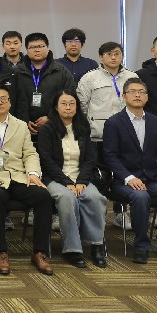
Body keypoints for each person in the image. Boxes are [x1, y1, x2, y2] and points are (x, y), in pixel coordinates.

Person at [0, 83, 54, 276]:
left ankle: (39, 252)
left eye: (3, 99)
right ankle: (1, 252)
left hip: (18, 177)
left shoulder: (20, 125)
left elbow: (30, 153)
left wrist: (33, 173)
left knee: (43, 197)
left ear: (10, 102)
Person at [102, 77, 157, 265]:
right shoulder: (113, 123)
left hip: (153, 179)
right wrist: (128, 177)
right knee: (140, 197)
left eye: (142, 92)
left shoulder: (155, 121)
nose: (137, 95)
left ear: (147, 97)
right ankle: (141, 246)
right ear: (124, 96)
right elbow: (110, 157)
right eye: (132, 92)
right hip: (124, 181)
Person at [36, 90, 108, 268]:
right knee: (67, 198)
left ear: (77, 107)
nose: (68, 107)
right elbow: (46, 161)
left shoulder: (83, 128)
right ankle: (73, 250)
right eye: (64, 103)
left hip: (80, 178)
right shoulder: (47, 129)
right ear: (56, 107)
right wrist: (67, 182)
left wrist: (81, 181)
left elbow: (90, 159)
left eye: (72, 104)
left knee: (95, 197)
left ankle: (96, 245)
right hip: (55, 178)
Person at [14, 32, 74, 135]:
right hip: (23, 130)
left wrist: (50, 117)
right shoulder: (17, 72)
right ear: (27, 50)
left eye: (40, 46)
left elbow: (70, 98)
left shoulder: (61, 72)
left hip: (55, 129)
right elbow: (12, 100)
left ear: (48, 48)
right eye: (32, 47)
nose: (37, 50)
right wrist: (23, 121)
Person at [77, 41, 137, 142]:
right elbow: (82, 105)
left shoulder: (132, 77)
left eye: (117, 54)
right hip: (98, 135)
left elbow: (138, 102)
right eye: (109, 54)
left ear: (122, 56)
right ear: (101, 57)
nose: (113, 57)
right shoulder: (89, 78)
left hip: (127, 132)